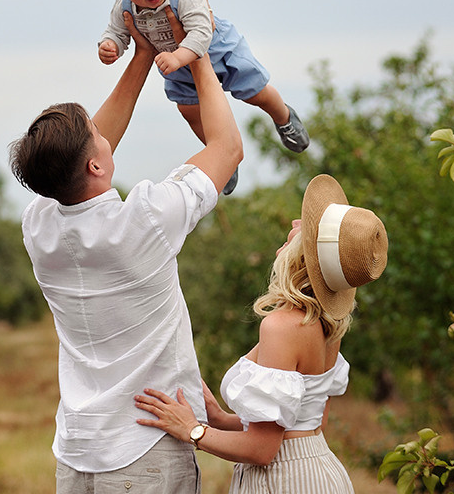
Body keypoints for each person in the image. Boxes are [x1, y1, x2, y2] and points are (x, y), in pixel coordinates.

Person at [8, 5, 242, 493]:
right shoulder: (145, 219)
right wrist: (195, 51)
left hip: (78, 448)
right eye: (95, 135)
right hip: (146, 446)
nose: (102, 131)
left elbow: (79, 159)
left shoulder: (39, 230)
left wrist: (142, 54)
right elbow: (227, 147)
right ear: (95, 166)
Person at [133, 174, 388, 494]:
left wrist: (192, 430)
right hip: (317, 470)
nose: (293, 226)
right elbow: (307, 423)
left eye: (302, 233)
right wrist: (220, 418)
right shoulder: (327, 325)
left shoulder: (282, 327)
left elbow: (262, 450)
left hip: (287, 480)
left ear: (303, 256)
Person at [98, 0, 309, 195]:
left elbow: (201, 30)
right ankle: (220, 155)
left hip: (219, 51)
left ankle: (283, 116)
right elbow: (117, 31)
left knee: (255, 93)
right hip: (177, 68)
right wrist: (110, 45)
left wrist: (178, 57)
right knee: (189, 110)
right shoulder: (124, 7)